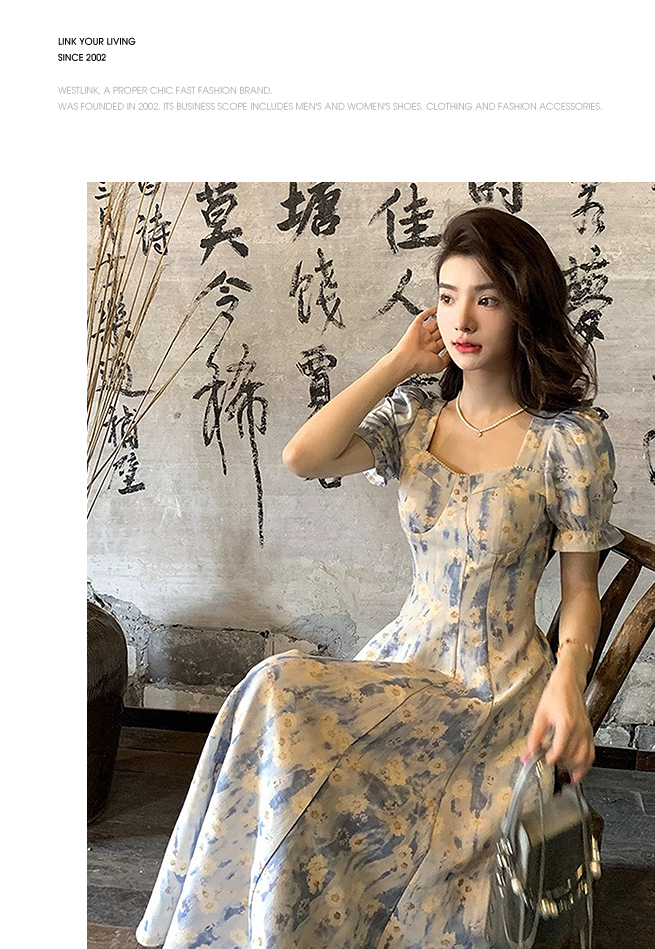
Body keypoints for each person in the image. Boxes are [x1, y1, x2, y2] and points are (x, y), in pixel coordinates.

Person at [136, 206, 623, 949]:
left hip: (496, 688)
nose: (462, 319)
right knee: (275, 697)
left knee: (280, 694)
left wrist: (568, 682)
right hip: (404, 659)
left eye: (488, 298)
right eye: (448, 296)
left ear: (525, 308)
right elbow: (304, 456)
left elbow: (581, 590)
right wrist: (396, 364)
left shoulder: (568, 441)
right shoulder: (415, 419)